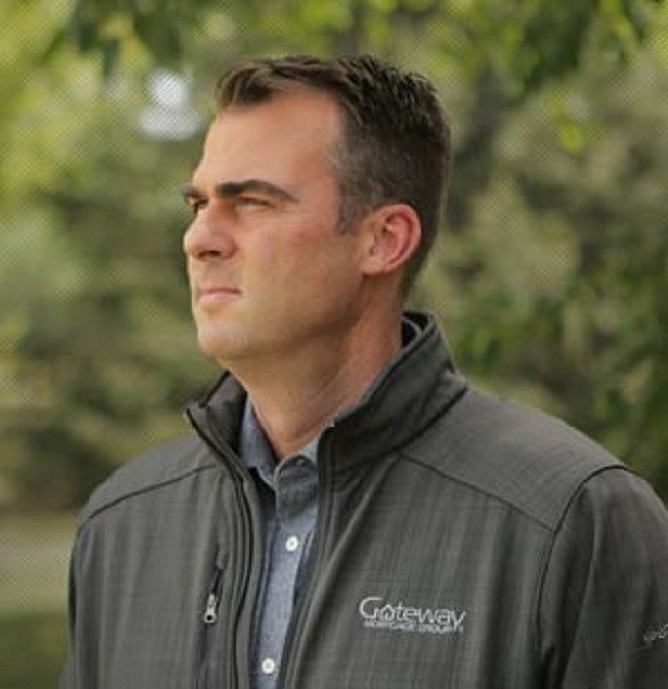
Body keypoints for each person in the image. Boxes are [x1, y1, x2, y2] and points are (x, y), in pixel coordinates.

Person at [59, 54, 668, 688]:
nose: (199, 239)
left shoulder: (576, 521)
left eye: (253, 202)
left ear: (384, 240)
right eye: (199, 204)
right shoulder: (120, 526)